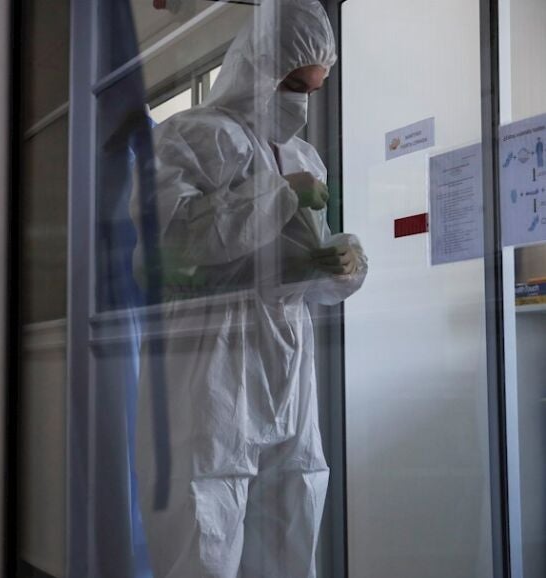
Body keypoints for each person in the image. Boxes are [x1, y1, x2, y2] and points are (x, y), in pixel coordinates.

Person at [132, 1, 367, 577]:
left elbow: (295, 260)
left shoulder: (304, 156)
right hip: (209, 356)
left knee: (295, 501)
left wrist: (339, 266)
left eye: (313, 89)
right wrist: (279, 193)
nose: (301, 103)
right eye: (293, 85)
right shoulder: (193, 136)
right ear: (257, 67)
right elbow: (171, 244)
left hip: (286, 354)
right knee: (203, 516)